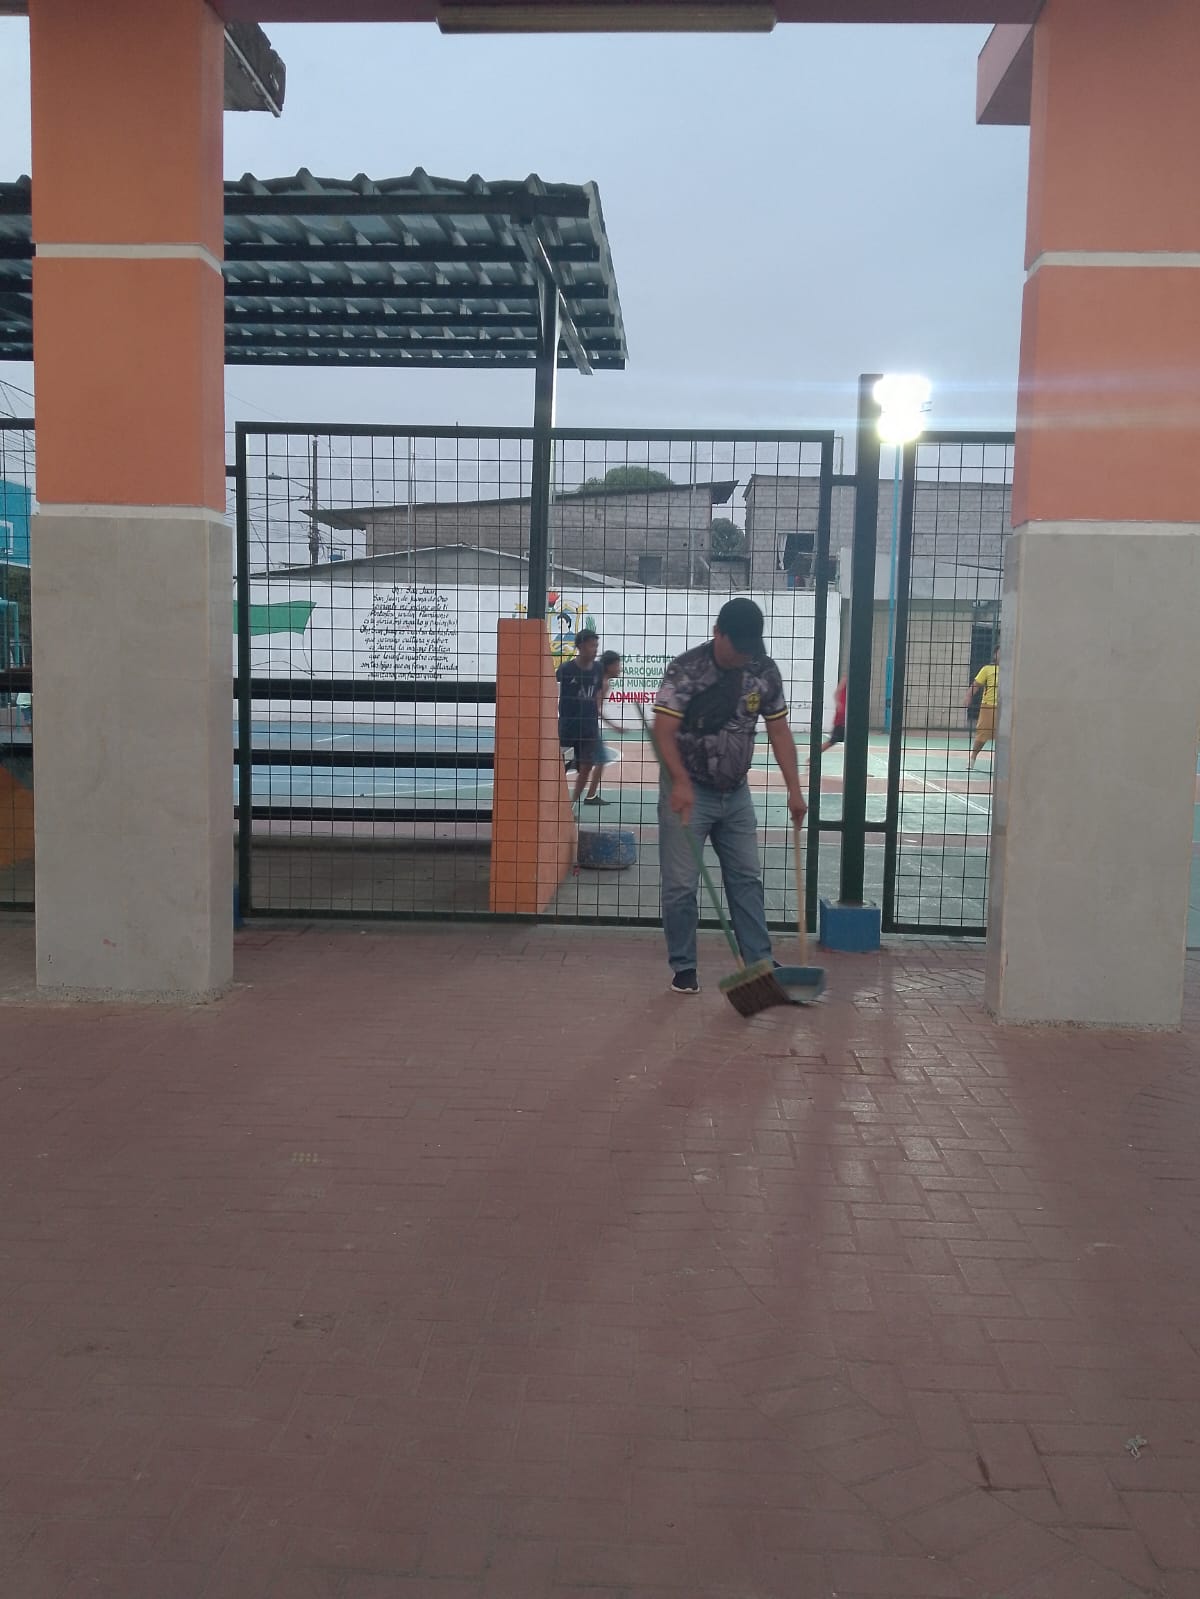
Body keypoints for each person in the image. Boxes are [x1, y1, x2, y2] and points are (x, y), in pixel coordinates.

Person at [652, 597, 807, 996]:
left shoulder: (763, 670)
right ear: (717, 633)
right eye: (737, 646)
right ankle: (684, 967)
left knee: (746, 878)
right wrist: (680, 781)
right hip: (688, 790)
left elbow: (779, 732)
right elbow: (663, 732)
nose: (743, 655)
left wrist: (794, 789)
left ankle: (759, 962)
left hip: (736, 793)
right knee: (681, 885)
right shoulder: (686, 670)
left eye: (749, 647)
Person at [556, 629, 604, 805]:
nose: (595, 649)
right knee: (559, 767)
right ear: (581, 646)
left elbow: (598, 692)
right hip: (568, 727)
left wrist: (597, 711)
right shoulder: (566, 669)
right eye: (592, 645)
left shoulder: (598, 668)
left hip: (589, 727)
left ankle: (572, 804)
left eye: (596, 646)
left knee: (586, 766)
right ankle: (556, 803)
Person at [583, 651, 623, 806]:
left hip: (583, 724)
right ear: (609, 666)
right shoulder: (603, 683)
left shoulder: (596, 679)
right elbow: (595, 709)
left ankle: (590, 795)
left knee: (593, 761)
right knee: (600, 759)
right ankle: (590, 796)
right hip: (588, 726)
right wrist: (614, 726)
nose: (619, 668)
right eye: (617, 665)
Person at [965, 646, 999, 769]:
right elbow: (976, 684)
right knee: (982, 734)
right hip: (989, 706)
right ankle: (973, 757)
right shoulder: (987, 669)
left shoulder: (1012, 670)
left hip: (1007, 707)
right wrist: (969, 695)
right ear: (995, 655)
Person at [820, 673, 848, 755]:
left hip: (847, 715)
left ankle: (812, 757)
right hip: (842, 715)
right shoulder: (846, 678)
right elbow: (836, 693)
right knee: (832, 740)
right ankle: (812, 757)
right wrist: (838, 704)